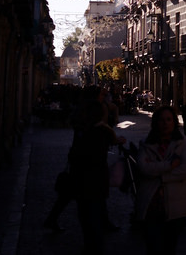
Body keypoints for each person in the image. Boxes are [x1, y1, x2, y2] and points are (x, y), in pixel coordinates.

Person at [68, 98, 126, 254]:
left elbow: (73, 154)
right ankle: (95, 246)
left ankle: (91, 243)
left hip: (81, 179)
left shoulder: (81, 129)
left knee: (86, 215)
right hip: (96, 179)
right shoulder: (103, 131)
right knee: (93, 214)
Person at [136, 105, 186, 255]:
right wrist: (169, 165)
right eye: (161, 120)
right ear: (155, 123)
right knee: (153, 246)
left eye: (169, 119)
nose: (165, 123)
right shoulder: (146, 143)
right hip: (151, 203)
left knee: (170, 246)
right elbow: (143, 168)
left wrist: (161, 175)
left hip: (175, 202)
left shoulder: (182, 142)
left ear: (174, 122)